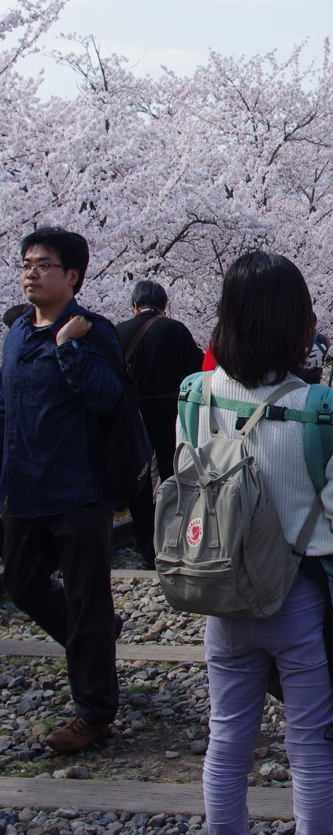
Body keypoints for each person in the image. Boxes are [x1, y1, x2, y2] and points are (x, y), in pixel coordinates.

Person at [189, 250, 333, 835]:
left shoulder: (195, 396)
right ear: (297, 324)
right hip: (303, 593)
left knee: (228, 737)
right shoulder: (322, 411)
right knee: (311, 743)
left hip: (224, 591)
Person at [0, 228, 124, 752]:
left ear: (72, 276)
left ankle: (94, 712)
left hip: (79, 489)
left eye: (44, 264)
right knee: (23, 584)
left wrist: (68, 348)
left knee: (86, 599)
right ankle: (92, 644)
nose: (31, 272)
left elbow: (107, 398)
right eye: (26, 262)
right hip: (26, 488)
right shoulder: (14, 333)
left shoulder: (93, 331)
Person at [116, 280, 204, 569]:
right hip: (169, 409)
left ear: (134, 305)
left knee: (138, 476)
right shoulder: (175, 329)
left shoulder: (119, 331)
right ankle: (173, 538)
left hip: (133, 413)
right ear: (164, 304)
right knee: (172, 473)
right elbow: (198, 370)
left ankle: (146, 546)